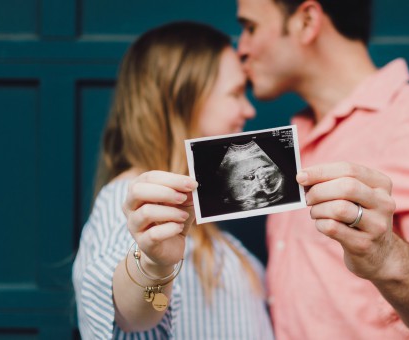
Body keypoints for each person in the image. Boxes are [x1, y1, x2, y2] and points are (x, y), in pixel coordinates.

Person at [236, 0, 409, 339]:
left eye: (250, 27)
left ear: (307, 20)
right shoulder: (297, 137)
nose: (242, 49)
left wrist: (384, 256)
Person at [72, 21, 274, 339]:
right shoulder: (132, 200)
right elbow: (129, 313)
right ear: (183, 99)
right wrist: (154, 265)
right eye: (235, 93)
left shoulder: (199, 219)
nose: (248, 110)